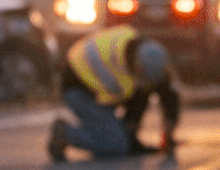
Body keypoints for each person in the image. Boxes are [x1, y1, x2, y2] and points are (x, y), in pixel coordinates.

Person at [47, 26, 177, 161]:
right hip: (78, 89)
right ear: (139, 68)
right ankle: (66, 133)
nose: (149, 86)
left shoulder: (144, 53)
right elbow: (127, 100)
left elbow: (167, 94)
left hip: (96, 89)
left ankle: (110, 136)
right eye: (146, 80)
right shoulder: (117, 71)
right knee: (117, 144)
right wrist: (125, 133)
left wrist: (168, 134)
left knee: (122, 129)